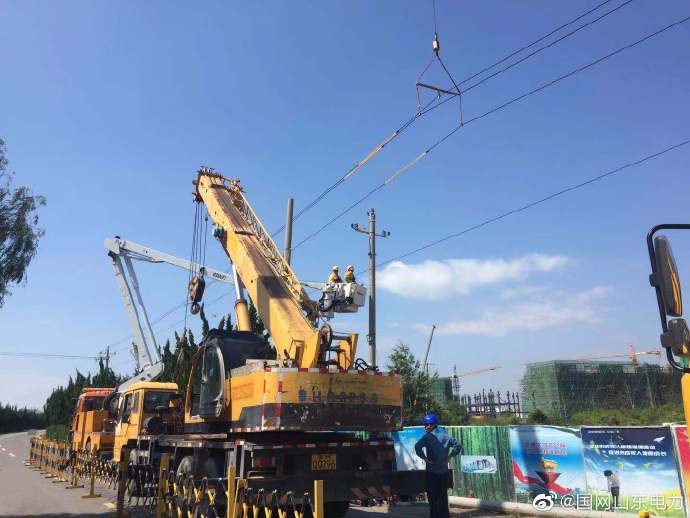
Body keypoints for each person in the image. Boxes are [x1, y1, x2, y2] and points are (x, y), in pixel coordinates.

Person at [414, 414, 462, 518]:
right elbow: (458, 446)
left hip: (431, 473)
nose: (425, 427)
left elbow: (417, 447)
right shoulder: (446, 436)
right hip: (443, 472)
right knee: (443, 497)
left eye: (426, 425)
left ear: (431, 425)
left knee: (432, 498)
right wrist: (449, 457)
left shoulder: (427, 437)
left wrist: (425, 458)